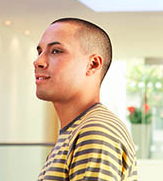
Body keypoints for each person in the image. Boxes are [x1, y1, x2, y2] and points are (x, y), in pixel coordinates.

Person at [34, 18, 137, 181]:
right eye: (40, 52)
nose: (38, 61)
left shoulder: (95, 131)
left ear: (93, 64)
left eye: (56, 51)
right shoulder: (74, 132)